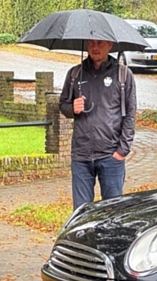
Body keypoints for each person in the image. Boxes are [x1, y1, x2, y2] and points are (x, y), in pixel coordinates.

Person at [59, 39, 137, 210]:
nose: (95, 47)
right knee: (81, 212)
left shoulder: (123, 75)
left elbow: (130, 115)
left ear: (110, 45)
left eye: (100, 43)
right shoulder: (74, 74)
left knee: (112, 212)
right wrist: (72, 108)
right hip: (81, 155)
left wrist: (122, 151)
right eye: (91, 43)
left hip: (110, 155)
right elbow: (63, 105)